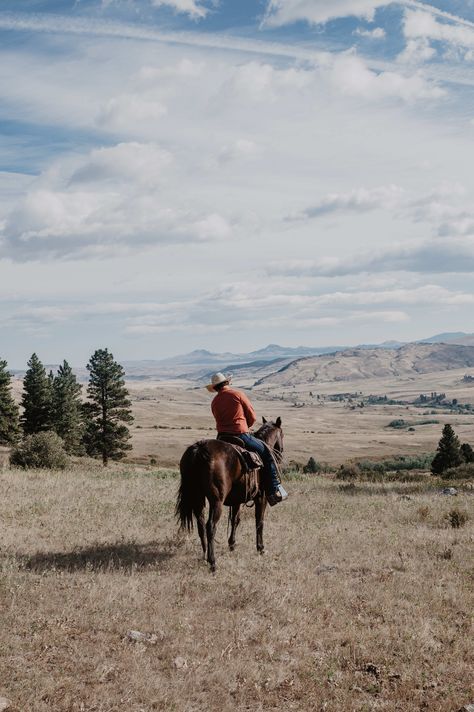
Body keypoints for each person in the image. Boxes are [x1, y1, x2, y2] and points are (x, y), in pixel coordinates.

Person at [206, 372, 288, 506]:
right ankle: (273, 491)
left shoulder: (214, 401)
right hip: (240, 435)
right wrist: (246, 426)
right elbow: (252, 416)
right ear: (227, 383)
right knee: (267, 454)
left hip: (221, 437)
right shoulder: (238, 395)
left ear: (215, 388)